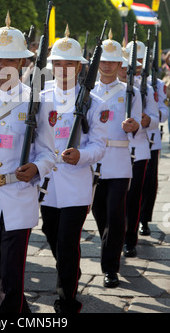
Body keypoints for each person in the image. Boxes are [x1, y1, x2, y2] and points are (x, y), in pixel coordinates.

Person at [0, 12, 56, 313]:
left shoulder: (37, 99)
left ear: (22, 63)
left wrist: (37, 168)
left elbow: (49, 153)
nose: (3, 68)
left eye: (10, 61)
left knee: (11, 277)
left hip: (19, 196)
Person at [39, 31, 108, 314]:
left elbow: (99, 146)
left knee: (68, 242)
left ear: (79, 67)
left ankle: (67, 298)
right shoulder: (40, 98)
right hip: (46, 183)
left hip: (76, 183)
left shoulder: (93, 102)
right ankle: (67, 272)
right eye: (57, 63)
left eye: (69, 64)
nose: (62, 69)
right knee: (50, 232)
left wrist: (82, 155)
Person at [91, 30, 141, 288]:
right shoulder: (87, 92)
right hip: (93, 161)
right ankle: (109, 243)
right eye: (103, 61)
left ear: (121, 65)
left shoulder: (130, 92)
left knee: (114, 212)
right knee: (99, 212)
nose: (107, 65)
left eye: (113, 61)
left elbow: (139, 125)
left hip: (119, 159)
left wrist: (134, 126)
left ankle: (110, 267)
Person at [119, 41, 159, 257]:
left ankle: (130, 237)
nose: (125, 71)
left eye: (129, 68)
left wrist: (145, 121)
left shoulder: (148, 88)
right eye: (122, 67)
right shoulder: (102, 90)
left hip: (138, 148)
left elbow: (156, 117)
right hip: (112, 154)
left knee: (134, 195)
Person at [139, 54, 169, 235]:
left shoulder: (156, 85)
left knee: (148, 182)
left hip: (150, 139)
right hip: (125, 142)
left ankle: (144, 219)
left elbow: (164, 112)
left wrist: (150, 115)